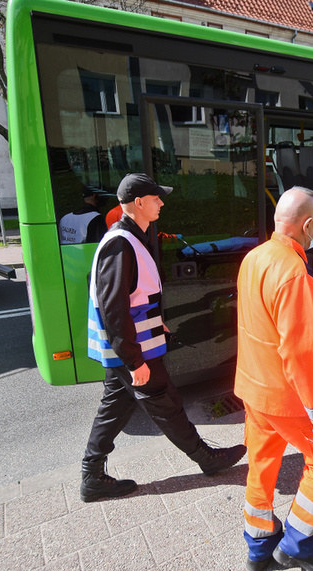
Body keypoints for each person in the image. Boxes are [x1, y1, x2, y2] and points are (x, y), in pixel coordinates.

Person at [82, 173, 246, 502]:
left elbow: (134, 298)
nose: (161, 203)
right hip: (133, 352)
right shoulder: (120, 244)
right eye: (156, 198)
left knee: (114, 408)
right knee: (167, 405)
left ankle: (92, 476)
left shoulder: (128, 238)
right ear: (138, 203)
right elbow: (114, 311)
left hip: (131, 348)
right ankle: (207, 460)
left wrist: (158, 323)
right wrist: (134, 360)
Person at [236, 187, 313, 571]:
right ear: (308, 225)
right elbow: (301, 353)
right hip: (287, 397)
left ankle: (259, 546)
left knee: (262, 464)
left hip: (253, 387)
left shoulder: (254, 258)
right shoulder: (294, 272)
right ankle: (299, 543)